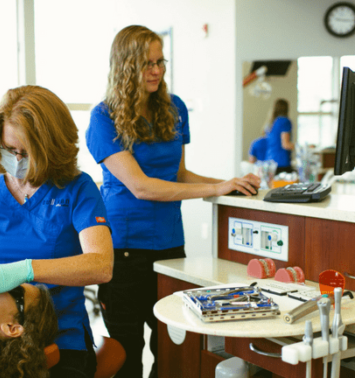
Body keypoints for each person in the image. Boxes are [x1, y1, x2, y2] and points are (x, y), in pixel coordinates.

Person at [85, 25, 261, 378]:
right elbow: (143, 188)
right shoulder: (103, 117)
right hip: (123, 250)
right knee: (127, 351)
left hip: (169, 248)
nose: (156, 70)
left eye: (160, 61)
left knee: (171, 348)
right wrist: (215, 188)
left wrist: (230, 184)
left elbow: (179, 174)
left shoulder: (174, 107)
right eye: (146, 63)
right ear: (124, 66)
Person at [0, 86, 113, 378]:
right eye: (10, 150)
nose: (17, 160)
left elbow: (101, 266)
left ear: (51, 147)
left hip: (62, 335)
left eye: (27, 152)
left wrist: (26, 270)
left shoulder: (78, 188)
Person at [264, 98, 295, 174]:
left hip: (269, 162)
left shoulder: (270, 123)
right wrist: (302, 148)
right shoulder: (284, 121)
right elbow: (286, 144)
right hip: (281, 163)